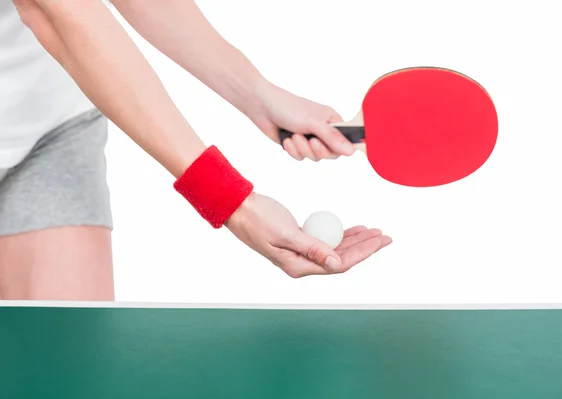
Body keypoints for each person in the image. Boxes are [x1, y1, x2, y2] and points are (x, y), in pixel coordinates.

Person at [0, 0, 392, 301]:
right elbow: (55, 9)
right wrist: (229, 199)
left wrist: (258, 95)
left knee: (67, 372)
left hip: (50, 123)